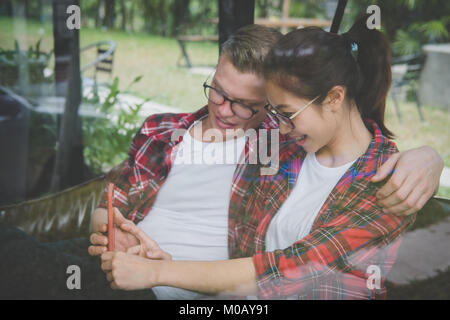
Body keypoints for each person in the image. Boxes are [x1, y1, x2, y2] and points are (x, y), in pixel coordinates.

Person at [0, 24, 443, 300]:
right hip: (141, 266)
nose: (226, 109)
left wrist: (428, 158)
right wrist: (120, 232)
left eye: (259, 108)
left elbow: (291, 272)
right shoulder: (288, 146)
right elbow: (121, 192)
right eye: (216, 90)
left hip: (171, 285)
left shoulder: (277, 142)